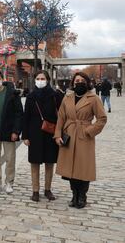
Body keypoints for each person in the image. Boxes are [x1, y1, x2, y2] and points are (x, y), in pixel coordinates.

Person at [54, 72, 107, 209]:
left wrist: (89, 131)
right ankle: (74, 195)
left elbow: (102, 118)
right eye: (77, 80)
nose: (79, 82)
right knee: (70, 167)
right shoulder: (67, 98)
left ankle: (82, 195)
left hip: (84, 136)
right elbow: (61, 117)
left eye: (82, 80)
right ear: (73, 83)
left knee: (83, 167)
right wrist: (58, 134)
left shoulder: (93, 98)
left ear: (87, 82)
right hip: (69, 135)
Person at [22, 71, 62, 202]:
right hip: (34, 135)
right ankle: (35, 190)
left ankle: (48, 189)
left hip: (50, 134)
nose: (40, 80)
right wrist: (25, 136)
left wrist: (58, 133)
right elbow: (25, 117)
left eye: (42, 78)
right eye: (38, 78)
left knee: (49, 163)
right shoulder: (31, 96)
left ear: (48, 80)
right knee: (34, 163)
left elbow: (61, 116)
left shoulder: (55, 95)